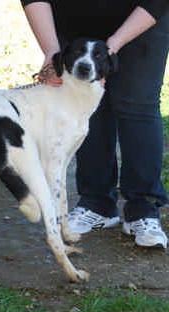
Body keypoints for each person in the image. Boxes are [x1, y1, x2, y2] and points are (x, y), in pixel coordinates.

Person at [21, 0, 169, 248]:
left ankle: (143, 209)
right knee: (85, 106)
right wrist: (51, 52)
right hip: (74, 23)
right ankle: (96, 203)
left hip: (143, 17)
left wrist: (112, 46)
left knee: (136, 105)